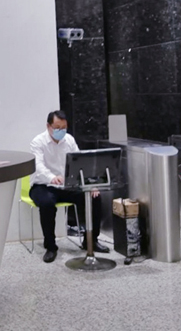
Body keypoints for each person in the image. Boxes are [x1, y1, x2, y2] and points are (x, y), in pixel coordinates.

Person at [29, 110, 110, 263]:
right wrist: (52, 177)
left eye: (64, 127)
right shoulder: (37, 142)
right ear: (48, 126)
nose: (61, 131)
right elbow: (38, 166)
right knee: (47, 203)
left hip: (66, 186)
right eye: (57, 128)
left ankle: (91, 240)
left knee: (93, 197)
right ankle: (50, 246)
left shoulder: (69, 140)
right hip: (43, 185)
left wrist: (90, 184)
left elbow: (80, 163)